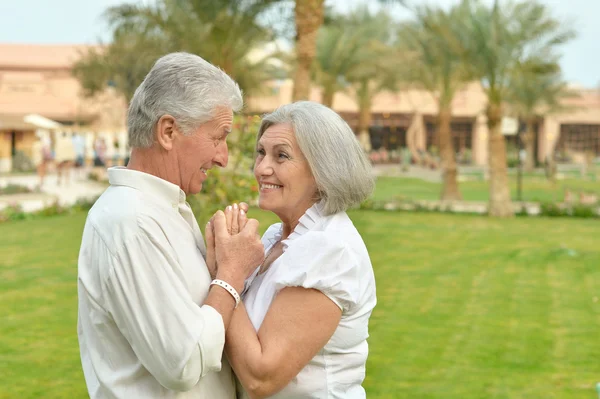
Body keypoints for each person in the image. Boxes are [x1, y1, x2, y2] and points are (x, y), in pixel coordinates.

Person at [77, 52, 264, 399]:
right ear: (167, 131)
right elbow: (183, 362)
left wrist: (217, 268)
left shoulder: (162, 211)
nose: (223, 157)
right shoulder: (131, 223)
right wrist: (232, 275)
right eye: (218, 137)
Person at [210, 101, 377, 398]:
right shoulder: (279, 236)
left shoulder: (329, 250)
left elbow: (262, 376)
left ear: (323, 170)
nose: (262, 168)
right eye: (261, 152)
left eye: (281, 156)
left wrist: (226, 273)